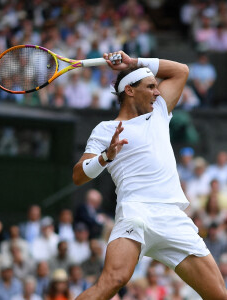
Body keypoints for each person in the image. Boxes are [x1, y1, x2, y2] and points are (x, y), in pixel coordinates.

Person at [72, 50, 227, 299]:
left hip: (172, 217)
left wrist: (134, 62)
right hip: (136, 213)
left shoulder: (160, 111)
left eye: (157, 86)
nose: (157, 91)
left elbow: (181, 70)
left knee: (219, 295)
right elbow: (78, 176)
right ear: (130, 91)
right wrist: (105, 156)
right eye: (151, 86)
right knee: (112, 281)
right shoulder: (105, 130)